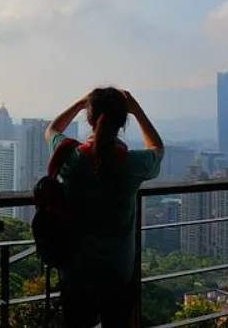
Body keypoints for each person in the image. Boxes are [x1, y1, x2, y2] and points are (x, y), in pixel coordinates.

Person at [44, 87, 165, 328]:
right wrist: (137, 111)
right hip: (117, 272)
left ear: (89, 119)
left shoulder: (71, 158)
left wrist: (80, 103)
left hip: (76, 270)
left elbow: (51, 130)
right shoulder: (132, 164)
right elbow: (157, 150)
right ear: (122, 121)